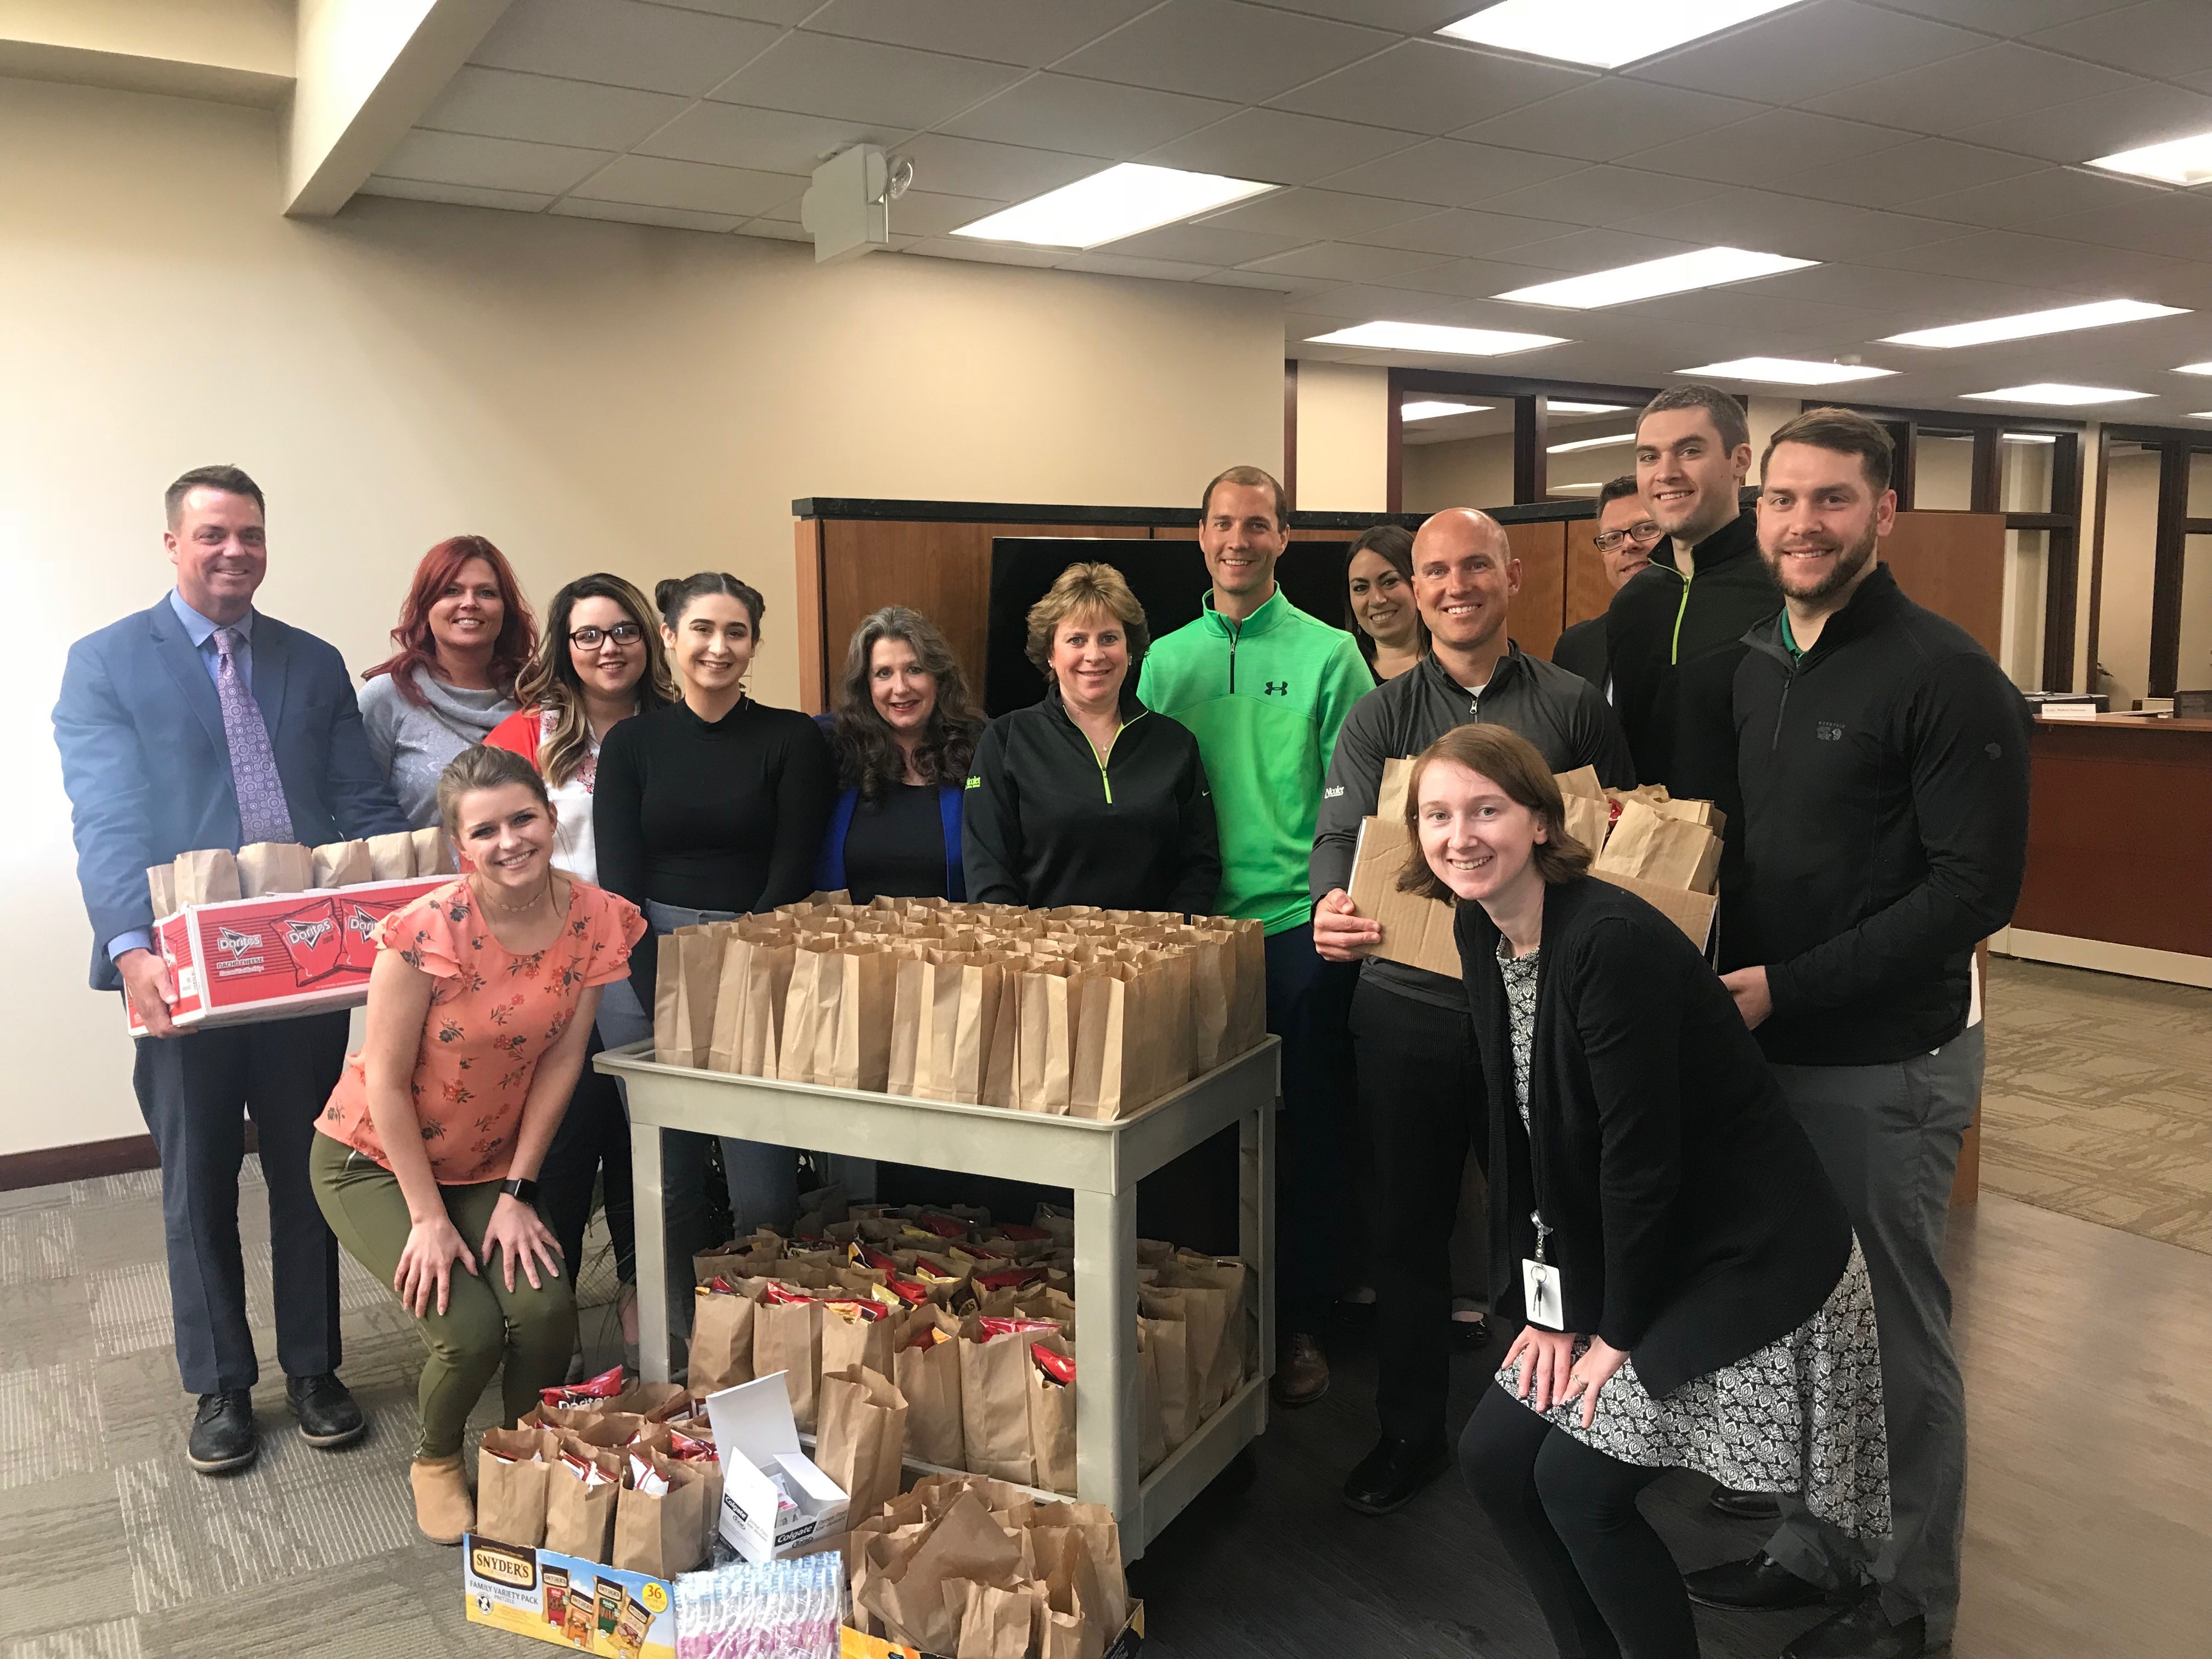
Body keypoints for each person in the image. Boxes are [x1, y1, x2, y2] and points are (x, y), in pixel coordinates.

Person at [1414, 724, 1888, 1659]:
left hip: (1741, 1255)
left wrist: (1613, 1331)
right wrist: (1544, 1310)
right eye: (1436, 814)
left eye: (1485, 809)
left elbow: (1641, 1163)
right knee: (1494, 1459)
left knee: (1577, 1487)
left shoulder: (1609, 941)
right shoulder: (1483, 922)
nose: (1459, 835)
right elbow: (1522, 1138)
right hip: (1639, 1244)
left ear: (1542, 822)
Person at [1687, 409, 2032, 1659]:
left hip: (1890, 1063)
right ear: (1756, 505)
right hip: (1774, 1053)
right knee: (1801, 1319)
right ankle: (1813, 1544)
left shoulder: (1946, 677)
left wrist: (1793, 985)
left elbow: (1974, 894)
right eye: (1783, 500)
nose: (1802, 524)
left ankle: (1909, 1601)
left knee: (1891, 1337)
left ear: (1886, 512)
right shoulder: (1755, 661)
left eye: (1832, 500)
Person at [54, 464, 410, 1474]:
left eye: (249, 534)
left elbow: (365, 807)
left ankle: (312, 1367)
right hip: (182, 970)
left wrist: (403, 921)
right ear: (173, 543)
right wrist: (130, 951)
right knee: (197, 1176)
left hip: (305, 968)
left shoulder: (311, 659)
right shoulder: (107, 663)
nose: (234, 551)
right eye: (212, 533)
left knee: (313, 1170)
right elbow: (106, 821)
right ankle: (219, 1383)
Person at [1311, 506, 1635, 1515]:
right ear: (1413, 586)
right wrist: (1330, 898)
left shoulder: (1575, 705)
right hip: (1406, 1005)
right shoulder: (1379, 714)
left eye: (1474, 567)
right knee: (1408, 1228)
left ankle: (1543, 1426)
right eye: (1435, 571)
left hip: (1539, 1008)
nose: (1455, 586)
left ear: (1514, 574)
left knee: (1542, 1222)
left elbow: (1625, 840)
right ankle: (1410, 1430)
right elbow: (1339, 835)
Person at [312, 745, 646, 1543]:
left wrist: (519, 1191)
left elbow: (566, 1057)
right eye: (485, 830)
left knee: (545, 1311)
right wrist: (428, 1220)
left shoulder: (597, 917)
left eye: (523, 819)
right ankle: (434, 1459)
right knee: (465, 1333)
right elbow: (385, 1082)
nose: (510, 842)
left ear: (551, 815)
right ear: (461, 846)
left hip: (488, 1161)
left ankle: (519, 1452)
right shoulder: (424, 933)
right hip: (378, 1163)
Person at [1137, 465, 1374, 1410]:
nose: (1238, 538)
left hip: (1292, 928)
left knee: (1304, 1134)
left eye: (1258, 524)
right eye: (1222, 523)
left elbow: (1356, 797)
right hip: (1189, 932)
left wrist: (1328, 901)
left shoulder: (1330, 654)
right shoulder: (1162, 659)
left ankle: (1298, 1320)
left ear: (1284, 537)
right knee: (1188, 1144)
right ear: (1200, 536)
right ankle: (1203, 1322)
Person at [594, 572, 836, 1247]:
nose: (718, 647)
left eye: (736, 632)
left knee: (762, 1180)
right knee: (667, 1178)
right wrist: (658, 991)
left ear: (754, 644)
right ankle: (677, 1340)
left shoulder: (791, 738)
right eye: (701, 629)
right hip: (644, 961)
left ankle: (763, 1336)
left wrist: (736, 970)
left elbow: (792, 871)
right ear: (669, 637)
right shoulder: (631, 746)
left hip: (757, 954)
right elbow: (620, 885)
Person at [486, 573, 676, 1370]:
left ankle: (644, 1302)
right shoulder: (524, 736)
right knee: (560, 1142)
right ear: (563, 647)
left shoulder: (677, 728)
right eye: (589, 634)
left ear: (648, 640)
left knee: (646, 1141)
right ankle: (546, 1322)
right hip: (550, 970)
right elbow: (488, 858)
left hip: (648, 963)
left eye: (625, 630)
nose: (609, 648)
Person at [964, 562, 1218, 913]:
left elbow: (1200, 865)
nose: (1094, 655)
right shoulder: (1006, 740)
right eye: (1076, 640)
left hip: (1156, 956)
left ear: (1130, 650)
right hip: (1040, 960)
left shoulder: (1175, 744)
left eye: (1109, 638)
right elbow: (988, 872)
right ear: (1051, 654)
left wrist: (1172, 938)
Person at [1605, 385, 1781, 797]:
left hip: (1760, 854)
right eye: (1649, 456)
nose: (1666, 472)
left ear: (1740, 461)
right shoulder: (1634, 604)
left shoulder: (1783, 591)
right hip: (1652, 851)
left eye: (1689, 451)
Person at [359, 534, 537, 827]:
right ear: (426, 606)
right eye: (451, 591)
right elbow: (363, 808)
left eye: (487, 593)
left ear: (506, 609)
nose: (469, 603)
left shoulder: (536, 698)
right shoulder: (388, 697)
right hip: (427, 873)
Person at [817, 606, 986, 904]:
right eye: (884, 674)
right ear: (866, 686)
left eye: (915, 669)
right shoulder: (833, 746)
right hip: (847, 944)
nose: (901, 688)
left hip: (957, 945)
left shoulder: (981, 746)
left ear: (939, 677)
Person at [1549, 478, 1659, 696]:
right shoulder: (1576, 648)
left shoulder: (1710, 634)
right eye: (1613, 537)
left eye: (1646, 529)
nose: (1629, 544)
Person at [1344, 523, 1424, 682]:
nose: (1377, 600)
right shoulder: (1342, 677)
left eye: (1390, 582)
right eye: (1361, 588)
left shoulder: (1458, 671)